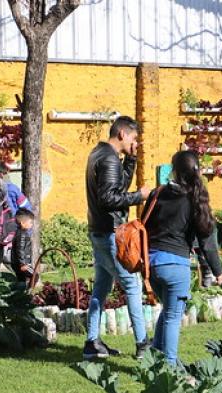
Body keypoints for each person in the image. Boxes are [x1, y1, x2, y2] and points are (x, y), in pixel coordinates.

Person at [144, 150, 222, 365]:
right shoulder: (195, 199)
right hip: (176, 266)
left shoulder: (157, 193)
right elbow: (207, 242)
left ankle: (155, 356)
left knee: (167, 311)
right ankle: (169, 366)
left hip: (151, 265)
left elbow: (144, 224)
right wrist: (218, 272)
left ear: (174, 170)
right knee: (172, 317)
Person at [83, 116, 151, 360]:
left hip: (98, 230)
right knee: (132, 285)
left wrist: (131, 159)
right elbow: (109, 198)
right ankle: (143, 344)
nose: (135, 142)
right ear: (122, 134)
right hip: (110, 233)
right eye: (133, 138)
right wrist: (138, 196)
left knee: (101, 287)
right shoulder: (110, 158)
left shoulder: (99, 153)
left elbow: (117, 186)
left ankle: (92, 342)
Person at [11, 208, 35, 286]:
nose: (32, 224)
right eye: (30, 222)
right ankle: (29, 293)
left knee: (21, 280)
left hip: (17, 263)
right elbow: (20, 249)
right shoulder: (22, 235)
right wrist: (22, 264)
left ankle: (21, 294)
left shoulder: (20, 233)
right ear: (22, 223)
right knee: (35, 276)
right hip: (21, 264)